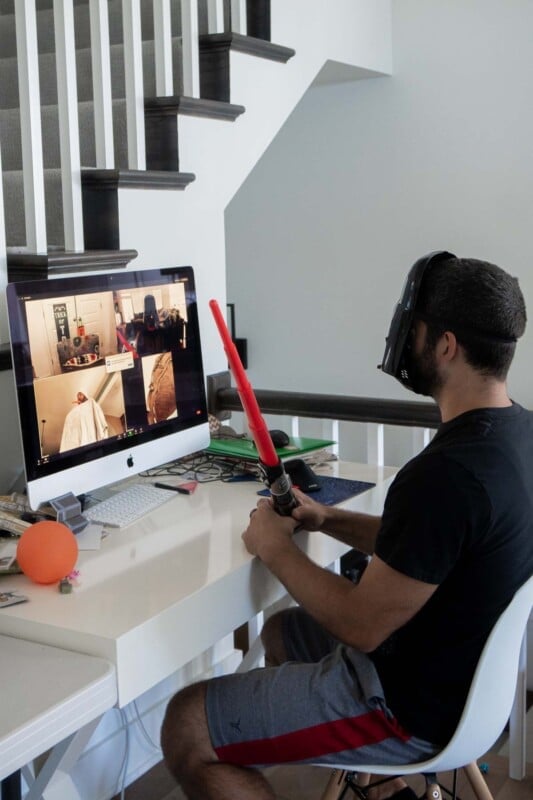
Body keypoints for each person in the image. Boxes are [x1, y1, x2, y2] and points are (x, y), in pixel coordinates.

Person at [160, 253, 533, 800]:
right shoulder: (516, 438)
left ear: (447, 346)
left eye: (417, 328)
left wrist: (275, 547)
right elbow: (428, 551)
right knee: (283, 633)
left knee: (186, 725)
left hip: (411, 708)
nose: (406, 339)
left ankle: (373, 758)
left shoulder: (447, 474)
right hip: (473, 690)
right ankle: (374, 784)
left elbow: (361, 626)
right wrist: (328, 518)